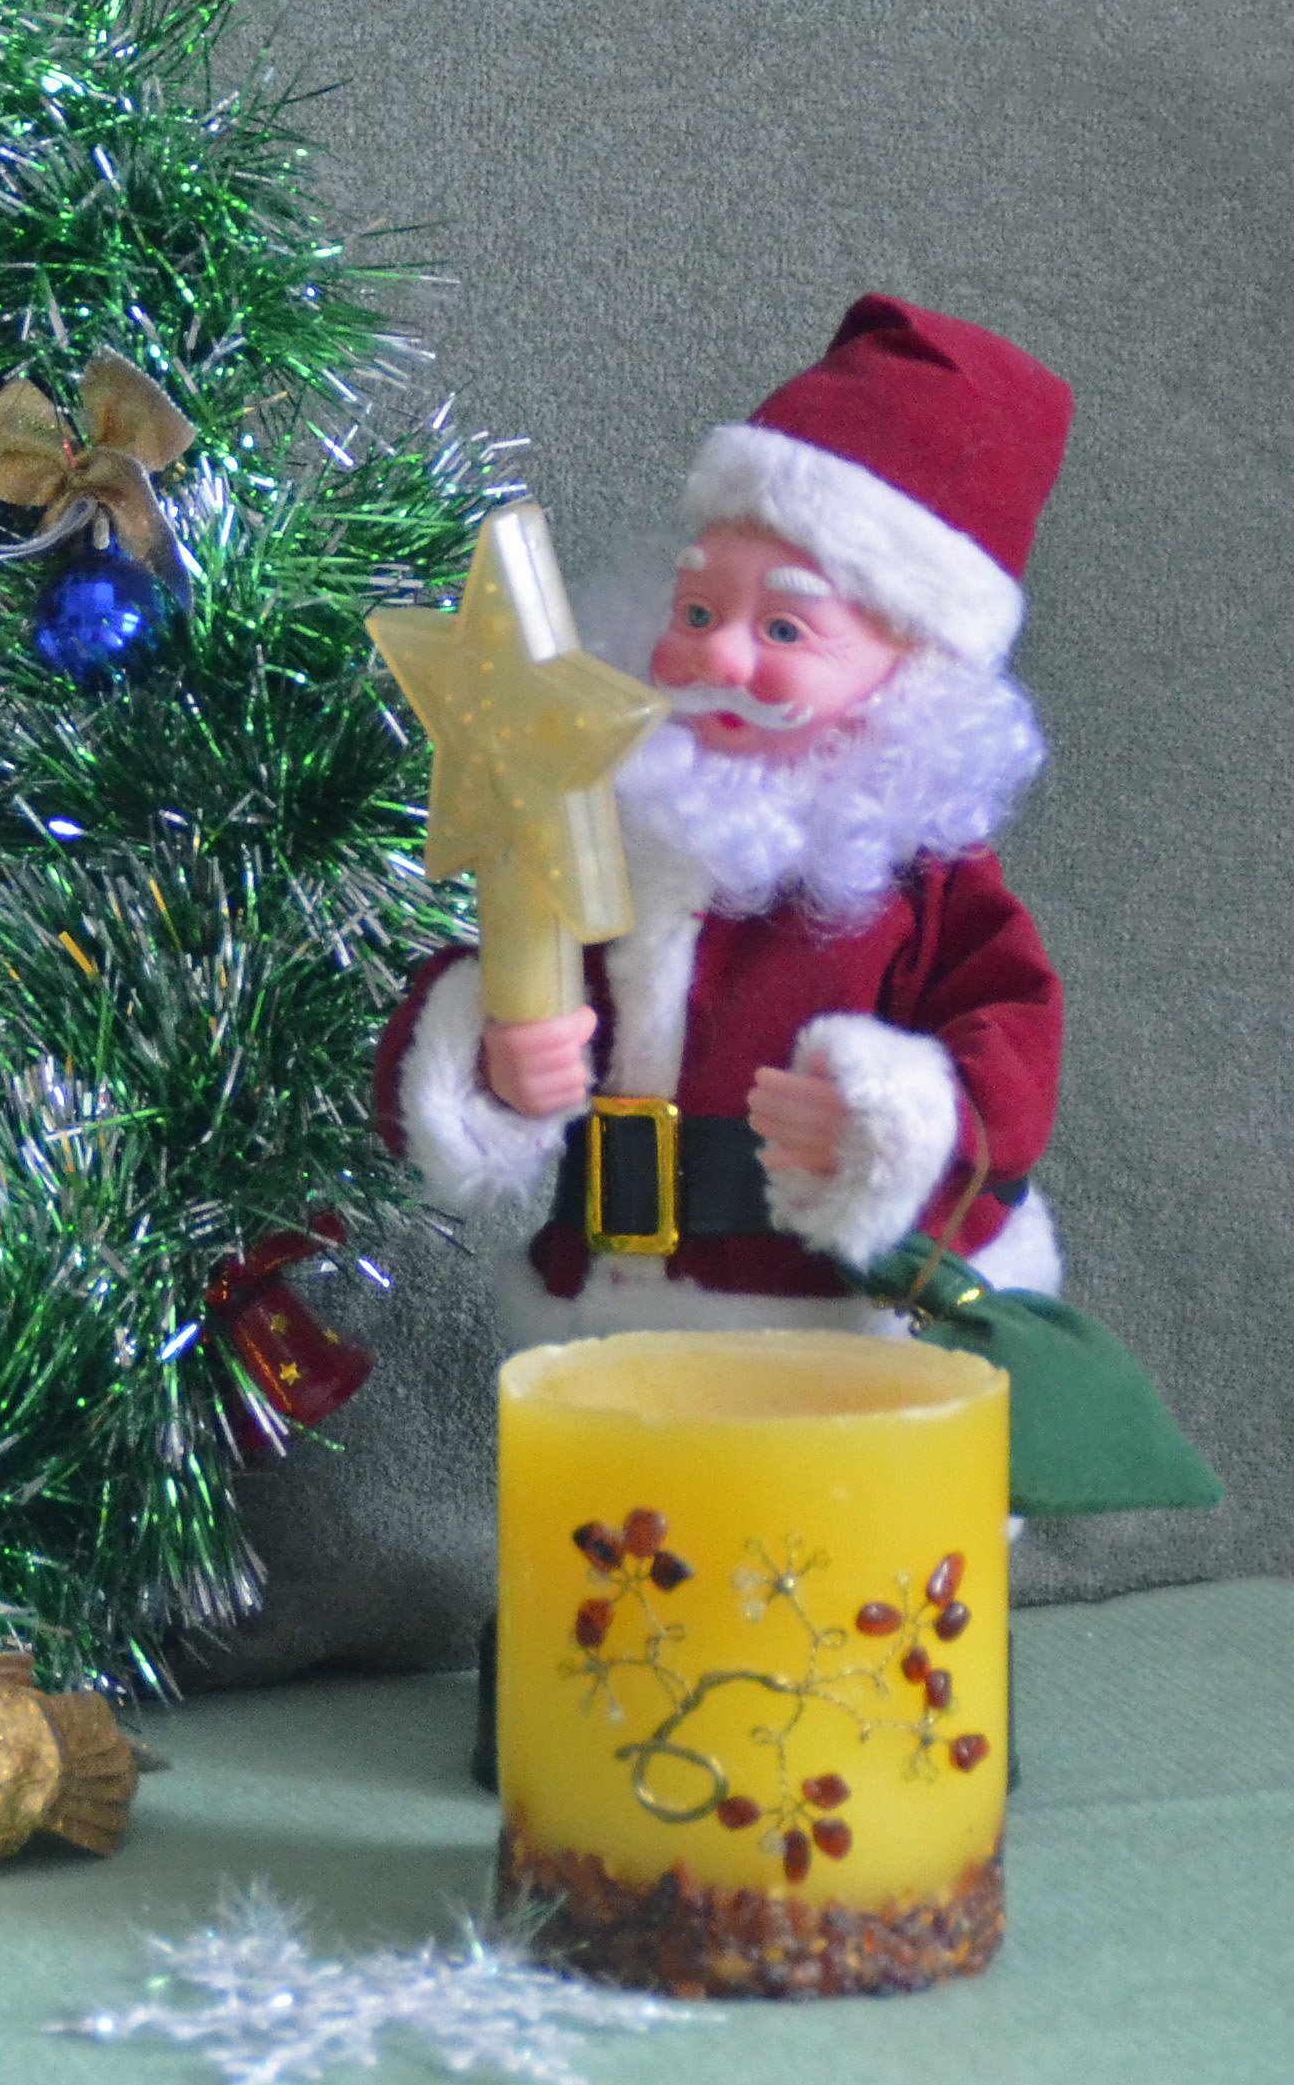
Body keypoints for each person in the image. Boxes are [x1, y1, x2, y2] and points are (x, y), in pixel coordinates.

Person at [376, 295, 1070, 1339]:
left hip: (835, 1336)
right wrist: (496, 1061)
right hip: (608, 1329)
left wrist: (890, 1124)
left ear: (916, 673)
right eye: (696, 610)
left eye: (785, 626)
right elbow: (502, 976)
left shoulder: (930, 887)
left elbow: (1009, 1049)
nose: (716, 654)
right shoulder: (604, 828)